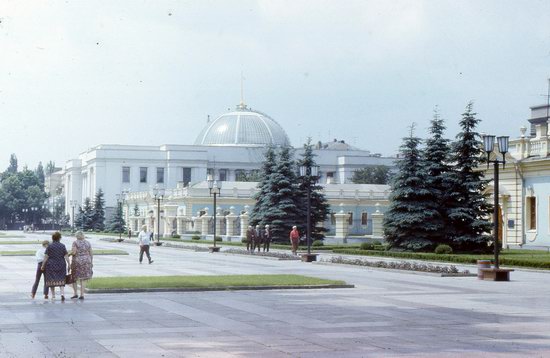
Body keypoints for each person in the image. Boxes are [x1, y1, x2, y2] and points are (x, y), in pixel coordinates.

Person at [41, 232, 70, 301]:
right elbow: (66, 255)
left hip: (51, 265)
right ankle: (62, 294)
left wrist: (43, 265)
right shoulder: (62, 246)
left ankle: (53, 296)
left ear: (52, 238)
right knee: (61, 279)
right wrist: (69, 264)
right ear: (59, 238)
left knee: (51, 280)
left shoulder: (49, 246)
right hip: (61, 264)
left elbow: (46, 257)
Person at [70, 231, 93, 300]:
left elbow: (74, 252)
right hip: (86, 261)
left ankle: (75, 293)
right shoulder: (87, 242)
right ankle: (82, 294)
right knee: (83, 279)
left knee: (74, 278)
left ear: (76, 236)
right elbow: (91, 253)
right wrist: (91, 262)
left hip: (77, 261)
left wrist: (68, 254)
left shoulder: (75, 242)